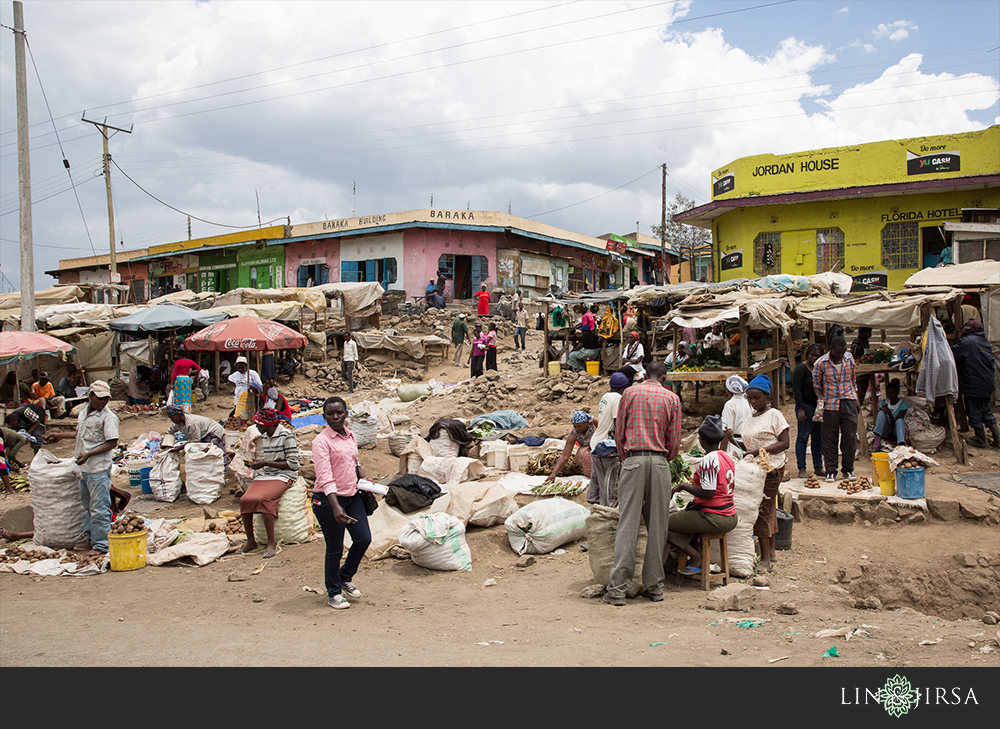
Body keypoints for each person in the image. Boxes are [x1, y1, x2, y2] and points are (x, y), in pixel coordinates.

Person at [605, 361, 681, 606]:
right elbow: (675, 442)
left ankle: (617, 589)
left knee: (627, 523)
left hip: (634, 459)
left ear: (644, 374)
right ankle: (655, 586)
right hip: (659, 463)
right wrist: (661, 458)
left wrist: (627, 457)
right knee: (658, 526)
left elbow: (619, 433)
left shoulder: (629, 393)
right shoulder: (672, 399)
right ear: (664, 376)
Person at [311, 396, 372, 609]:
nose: (335, 417)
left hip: (352, 495)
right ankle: (334, 592)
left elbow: (353, 462)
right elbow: (325, 476)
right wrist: (335, 506)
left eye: (339, 412)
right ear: (324, 417)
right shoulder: (321, 442)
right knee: (335, 548)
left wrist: (362, 476)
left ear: (346, 413)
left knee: (364, 539)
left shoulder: (351, 436)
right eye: (330, 414)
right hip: (329, 501)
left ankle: (345, 576)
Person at [49, 381, 120, 557]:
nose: (103, 402)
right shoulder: (83, 413)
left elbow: (112, 442)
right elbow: (79, 434)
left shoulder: (108, 417)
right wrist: (60, 435)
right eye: (100, 398)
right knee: (88, 505)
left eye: (106, 399)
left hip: (98, 469)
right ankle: (89, 538)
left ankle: (101, 544)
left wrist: (89, 454)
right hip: (84, 469)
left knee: (99, 508)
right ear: (91, 396)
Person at [668, 415, 738, 576]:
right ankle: (696, 555)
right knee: (685, 518)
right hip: (730, 514)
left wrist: (683, 486)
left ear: (702, 439)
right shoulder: (726, 456)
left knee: (663, 524)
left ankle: (696, 556)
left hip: (714, 516)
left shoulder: (708, 460)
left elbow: (708, 493)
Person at [738, 374, 789, 572]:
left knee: (763, 509)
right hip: (755, 468)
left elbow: (785, 443)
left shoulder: (775, 415)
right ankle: (772, 550)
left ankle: (765, 559)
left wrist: (761, 451)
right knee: (766, 506)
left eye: (756, 398)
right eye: (749, 398)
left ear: (766, 396)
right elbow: (750, 441)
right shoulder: (751, 416)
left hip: (772, 467)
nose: (752, 402)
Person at [239, 408, 299, 559]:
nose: (256, 427)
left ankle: (271, 543)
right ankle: (250, 541)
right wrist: (259, 464)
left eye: (258, 424)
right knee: (245, 500)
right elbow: (268, 462)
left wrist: (265, 463)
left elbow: (293, 464)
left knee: (264, 499)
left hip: (285, 474)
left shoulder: (287, 435)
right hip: (267, 473)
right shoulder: (265, 436)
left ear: (267, 424)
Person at [812, 336, 858, 481]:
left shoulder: (849, 359)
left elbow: (853, 380)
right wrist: (821, 400)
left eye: (843, 352)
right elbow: (817, 385)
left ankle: (848, 470)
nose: (841, 355)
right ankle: (831, 470)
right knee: (830, 439)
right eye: (839, 352)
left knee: (850, 438)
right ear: (831, 349)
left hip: (848, 401)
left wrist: (855, 398)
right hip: (830, 404)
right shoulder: (821, 363)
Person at [951, 319, 999, 448]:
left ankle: (981, 440)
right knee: (986, 410)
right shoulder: (985, 342)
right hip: (987, 382)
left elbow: (951, 353)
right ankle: (997, 438)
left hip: (973, 383)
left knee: (974, 411)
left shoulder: (967, 342)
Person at [588, 372, 629, 507]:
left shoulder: (605, 396)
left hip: (596, 440)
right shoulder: (618, 398)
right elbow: (618, 424)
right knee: (609, 481)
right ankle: (607, 508)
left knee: (596, 477)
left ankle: (592, 502)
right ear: (624, 387)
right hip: (606, 444)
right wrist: (622, 445)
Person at [792, 344, 825, 478]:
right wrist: (800, 409)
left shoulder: (821, 369)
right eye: (812, 355)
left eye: (817, 356)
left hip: (818, 407)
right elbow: (797, 390)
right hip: (805, 407)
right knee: (803, 437)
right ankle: (802, 468)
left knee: (818, 438)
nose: (814, 358)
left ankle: (818, 467)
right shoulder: (801, 369)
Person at [548, 410, 596, 482]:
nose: (577, 429)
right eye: (575, 426)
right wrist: (554, 473)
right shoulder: (574, 433)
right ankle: (592, 477)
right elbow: (565, 455)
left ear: (586, 422)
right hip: (587, 451)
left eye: (579, 426)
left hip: (600, 445)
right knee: (583, 453)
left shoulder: (595, 422)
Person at [720, 375, 752, 459]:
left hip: (734, 445)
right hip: (748, 443)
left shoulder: (730, 405)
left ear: (728, 390)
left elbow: (726, 430)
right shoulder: (748, 403)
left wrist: (721, 453)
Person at [873, 378, 908, 450]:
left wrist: (889, 414)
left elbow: (895, 424)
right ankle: (876, 443)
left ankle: (901, 445)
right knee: (881, 413)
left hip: (896, 432)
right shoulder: (883, 402)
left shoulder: (903, 405)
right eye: (888, 393)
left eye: (892, 392)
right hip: (885, 430)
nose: (890, 395)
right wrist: (885, 412)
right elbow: (880, 420)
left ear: (897, 392)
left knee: (900, 421)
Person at [229, 356, 263, 421]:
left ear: (246, 366)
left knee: (249, 414)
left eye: (242, 367)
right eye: (238, 368)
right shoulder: (235, 375)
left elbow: (259, 385)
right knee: (239, 415)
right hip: (239, 398)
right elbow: (229, 379)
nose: (240, 369)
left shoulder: (252, 373)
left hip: (249, 397)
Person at [851, 327, 873, 405]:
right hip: (859, 371)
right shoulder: (856, 343)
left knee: (863, 389)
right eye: (868, 332)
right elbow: (853, 357)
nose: (870, 334)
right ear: (862, 333)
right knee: (859, 391)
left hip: (865, 370)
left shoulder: (866, 341)